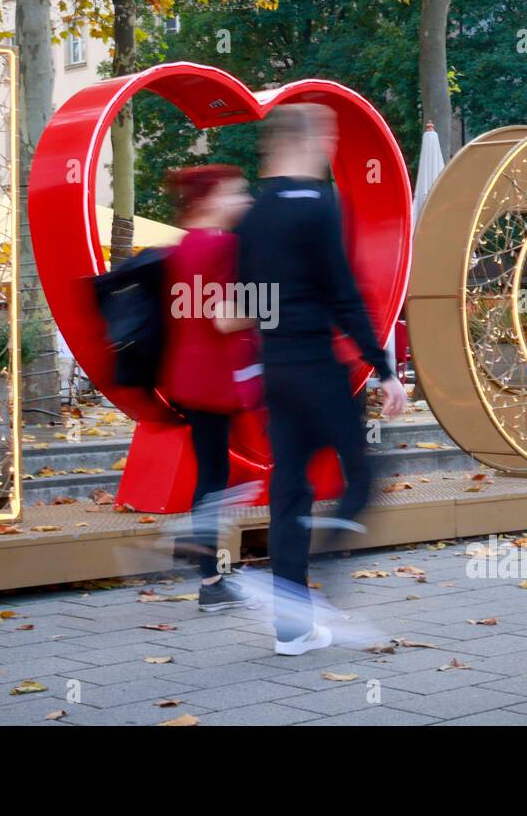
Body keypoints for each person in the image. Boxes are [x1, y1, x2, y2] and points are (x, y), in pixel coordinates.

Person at [236, 103, 409, 656]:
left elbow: (245, 300)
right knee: (362, 476)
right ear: (307, 140)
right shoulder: (318, 205)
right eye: (329, 137)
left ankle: (293, 626)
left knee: (290, 491)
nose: (331, 147)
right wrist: (384, 370)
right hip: (316, 368)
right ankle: (329, 575)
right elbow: (342, 294)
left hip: (275, 371)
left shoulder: (254, 215)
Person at [158, 165, 259, 611]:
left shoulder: (181, 247)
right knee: (218, 478)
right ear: (211, 197)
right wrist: (277, 304)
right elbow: (223, 317)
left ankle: (209, 571)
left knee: (214, 472)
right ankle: (210, 575)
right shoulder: (222, 246)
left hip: (188, 377)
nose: (244, 200)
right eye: (236, 191)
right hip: (219, 379)